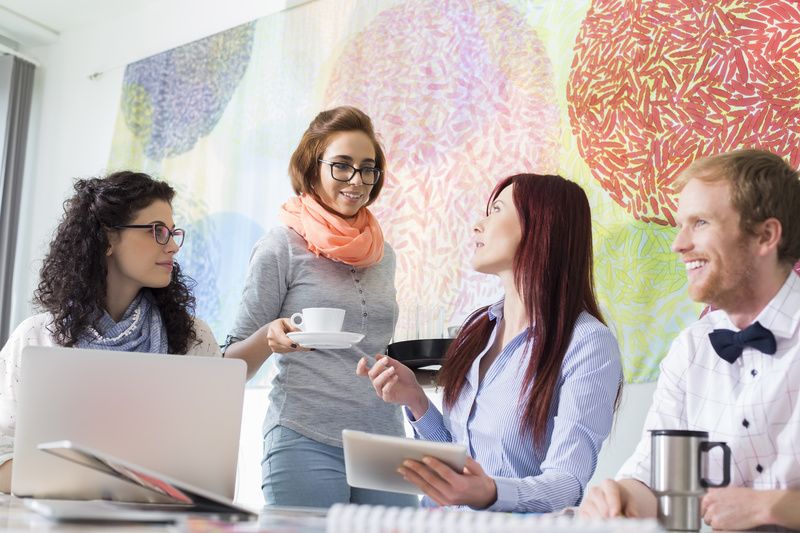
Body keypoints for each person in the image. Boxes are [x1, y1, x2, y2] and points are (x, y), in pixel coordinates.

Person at [357, 173, 623, 512]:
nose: (478, 225)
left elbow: (566, 485)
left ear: (541, 226)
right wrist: (416, 400)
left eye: (496, 210)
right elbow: (460, 461)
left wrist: (487, 492)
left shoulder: (588, 344)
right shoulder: (478, 327)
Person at [578, 149, 800, 530]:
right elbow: (653, 481)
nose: (678, 244)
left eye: (700, 223)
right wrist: (622, 496)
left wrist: (773, 507)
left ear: (765, 235)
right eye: (681, 225)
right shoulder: (690, 349)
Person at [224, 106, 415, 508]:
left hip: (385, 440)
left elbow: (372, 348)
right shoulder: (281, 247)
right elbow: (231, 366)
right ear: (313, 168)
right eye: (342, 166)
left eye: (368, 169)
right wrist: (270, 336)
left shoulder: (384, 256)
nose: (357, 181)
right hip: (305, 436)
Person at [0, 171, 221, 492]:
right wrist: (93, 481)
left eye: (173, 233)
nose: (173, 246)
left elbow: (212, 463)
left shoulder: (191, 339)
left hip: (160, 521)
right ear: (107, 239)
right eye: (157, 231)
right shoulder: (37, 338)